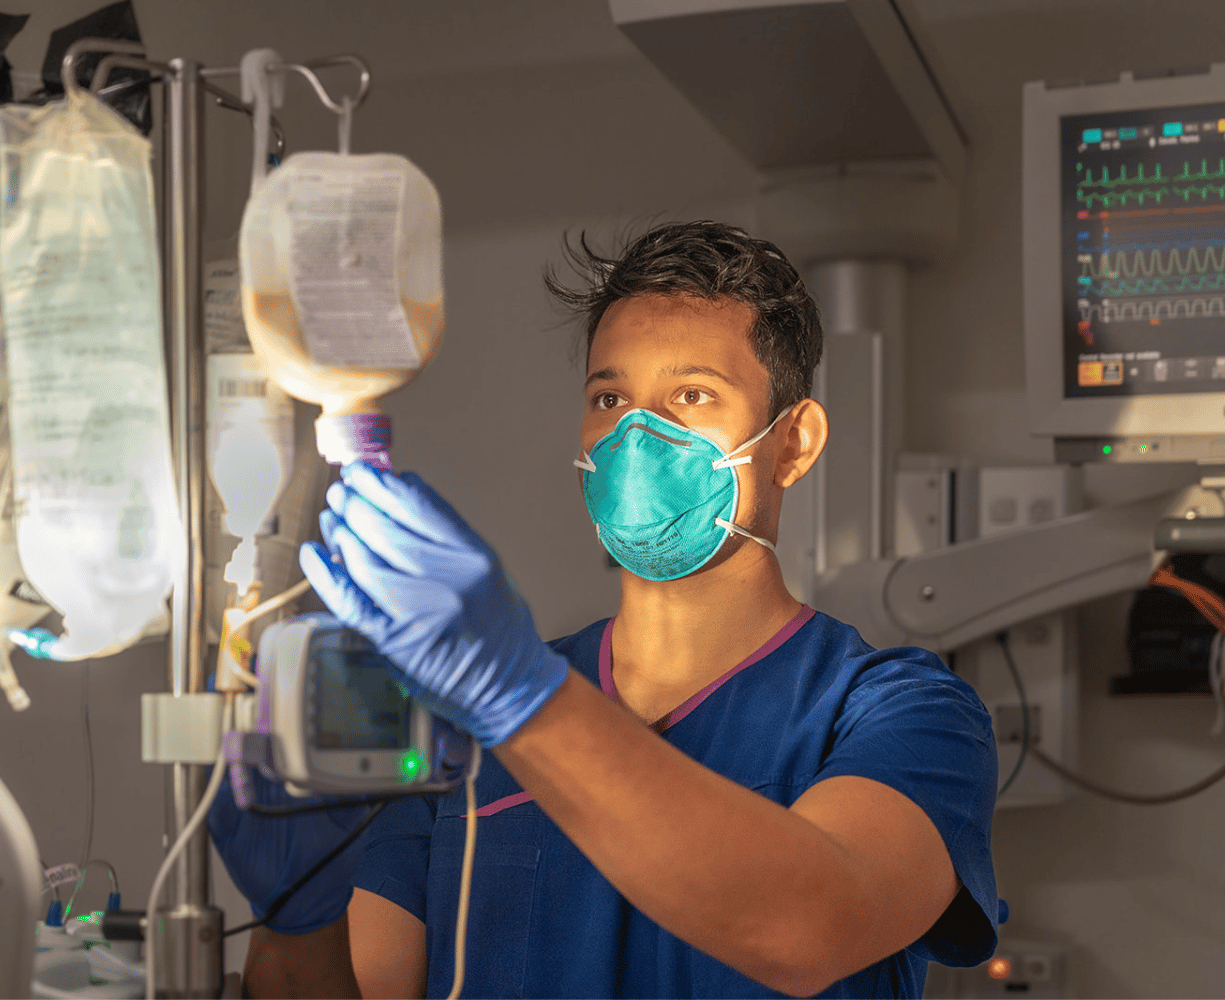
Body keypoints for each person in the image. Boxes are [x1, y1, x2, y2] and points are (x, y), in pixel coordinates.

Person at [209, 221, 999, 999]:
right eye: (610, 396)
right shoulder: (455, 728)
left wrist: (516, 697)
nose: (636, 436)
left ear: (792, 444)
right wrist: (296, 919)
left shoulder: (903, 716)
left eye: (691, 395)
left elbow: (809, 928)